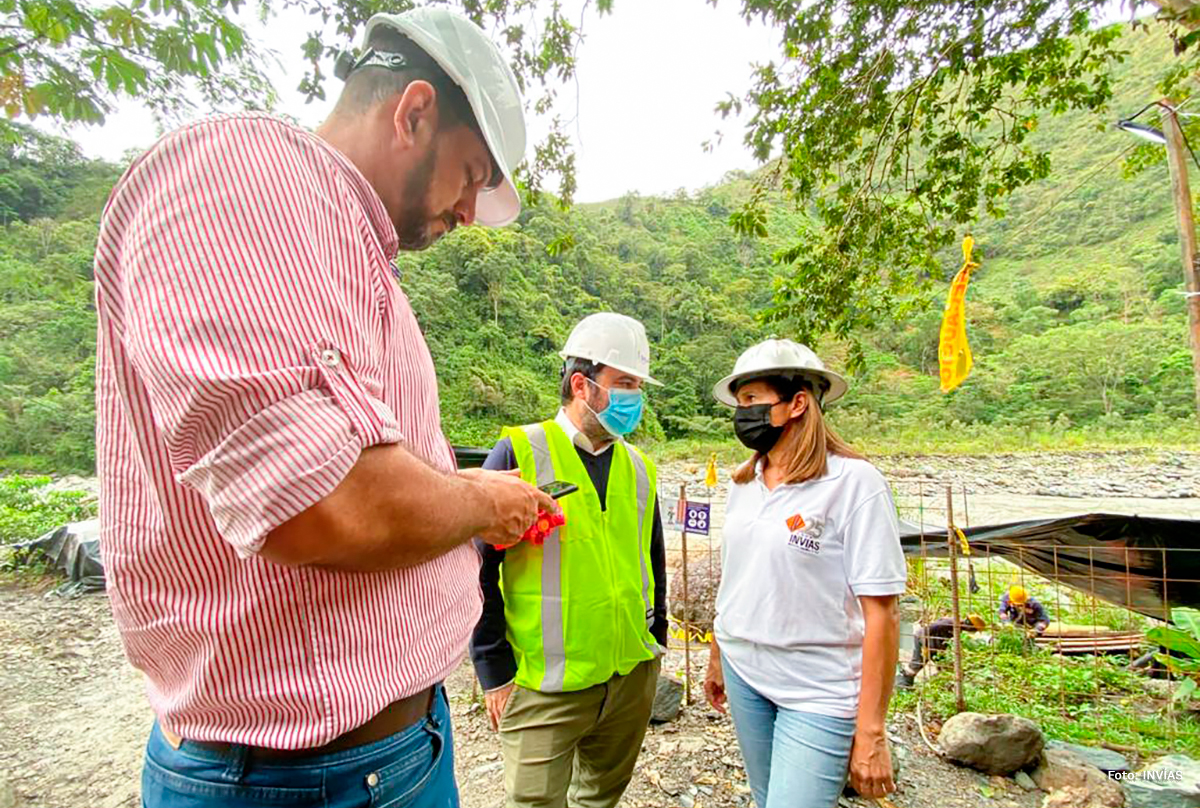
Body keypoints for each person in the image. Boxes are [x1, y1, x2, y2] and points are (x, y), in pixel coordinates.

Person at [94, 9, 558, 807]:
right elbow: (322, 503)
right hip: (298, 779)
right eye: (474, 174)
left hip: (391, 749)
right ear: (414, 111)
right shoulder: (238, 176)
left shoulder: (352, 257)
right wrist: (482, 499)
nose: (470, 212)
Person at [470, 312, 668, 808]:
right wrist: (493, 670)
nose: (634, 398)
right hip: (544, 688)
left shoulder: (640, 467)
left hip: (629, 678)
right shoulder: (521, 451)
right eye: (624, 383)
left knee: (600, 799)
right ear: (582, 385)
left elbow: (653, 559)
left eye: (638, 385)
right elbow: (477, 570)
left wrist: (657, 639)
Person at [702, 339, 906, 808]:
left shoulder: (854, 484)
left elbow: (883, 613)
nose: (742, 412)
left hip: (818, 688)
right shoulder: (744, 482)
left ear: (797, 403)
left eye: (752, 399)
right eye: (740, 403)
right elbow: (737, 577)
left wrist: (871, 730)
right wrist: (718, 654)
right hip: (745, 672)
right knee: (765, 795)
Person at [894, 613, 987, 690]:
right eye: (974, 630)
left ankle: (942, 685)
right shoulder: (949, 623)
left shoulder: (958, 628)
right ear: (970, 626)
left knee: (943, 666)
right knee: (917, 663)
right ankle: (902, 685)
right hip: (923, 639)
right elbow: (926, 630)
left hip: (935, 646)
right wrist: (925, 646)